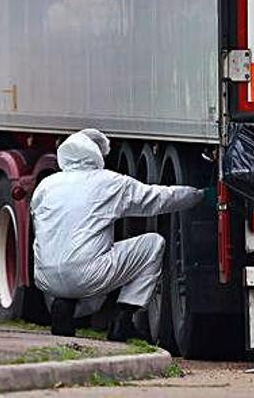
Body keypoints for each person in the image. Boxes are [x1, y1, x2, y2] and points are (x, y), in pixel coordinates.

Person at [31, 129, 205, 341]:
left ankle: (65, 307)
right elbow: (158, 200)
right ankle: (124, 319)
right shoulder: (109, 182)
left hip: (46, 279)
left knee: (85, 262)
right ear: (95, 155)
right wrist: (199, 195)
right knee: (152, 244)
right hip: (87, 274)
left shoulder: (46, 186)